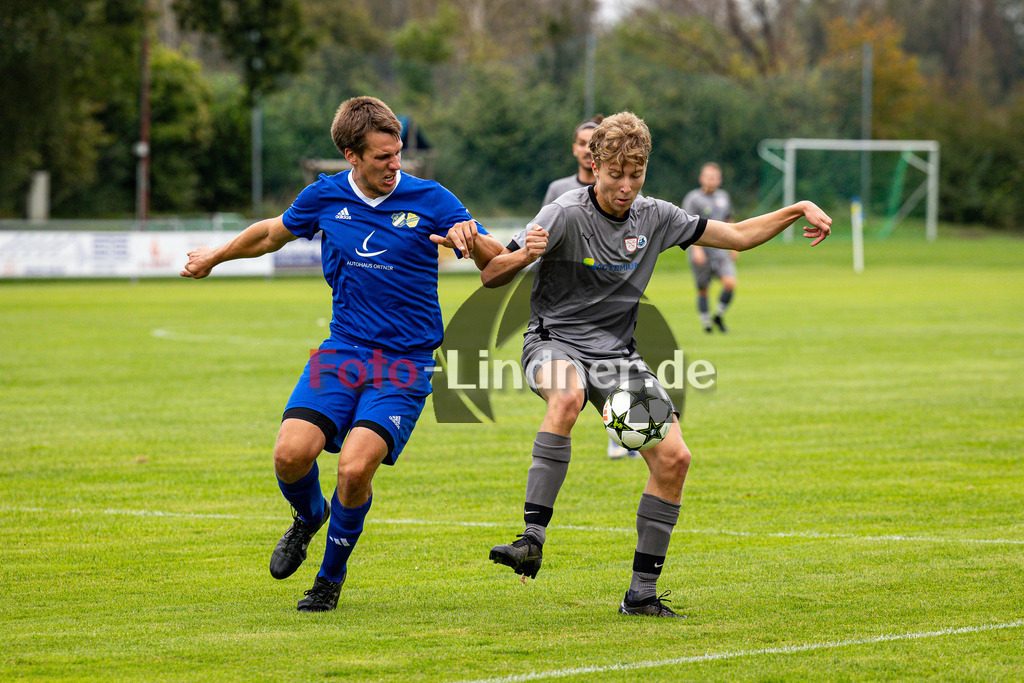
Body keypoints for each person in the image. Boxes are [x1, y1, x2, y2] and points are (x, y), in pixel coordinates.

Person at [481, 112, 831, 617]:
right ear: (594, 165)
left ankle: (641, 593)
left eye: (636, 174)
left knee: (675, 459)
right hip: (554, 342)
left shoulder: (657, 217)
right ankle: (531, 537)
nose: (625, 186)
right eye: (615, 173)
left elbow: (737, 236)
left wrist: (797, 208)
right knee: (568, 395)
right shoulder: (562, 213)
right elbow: (492, 274)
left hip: (618, 357)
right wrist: (521, 256)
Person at [180, 96, 502, 612]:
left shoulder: (434, 198)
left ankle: (329, 579)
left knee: (354, 471)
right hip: (343, 350)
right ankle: (308, 518)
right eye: (382, 157)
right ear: (350, 155)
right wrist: (215, 256)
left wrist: (475, 241)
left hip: (404, 363)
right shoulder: (325, 196)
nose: (395, 165)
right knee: (289, 454)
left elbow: (499, 263)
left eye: (398, 154)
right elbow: (270, 233)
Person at [681, 162, 737, 333]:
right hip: (702, 250)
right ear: (701, 178)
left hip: (720, 251)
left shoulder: (723, 197)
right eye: (708, 177)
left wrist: (734, 246)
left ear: (719, 180)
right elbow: (686, 226)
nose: (712, 180)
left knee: (730, 283)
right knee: (703, 289)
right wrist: (696, 250)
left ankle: (718, 316)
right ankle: (706, 324)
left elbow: (729, 220)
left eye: (715, 177)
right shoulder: (693, 198)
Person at [541, 115, 603, 207]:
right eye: (582, 144)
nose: (588, 150)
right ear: (574, 149)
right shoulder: (557, 189)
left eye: (593, 144)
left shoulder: (612, 190)